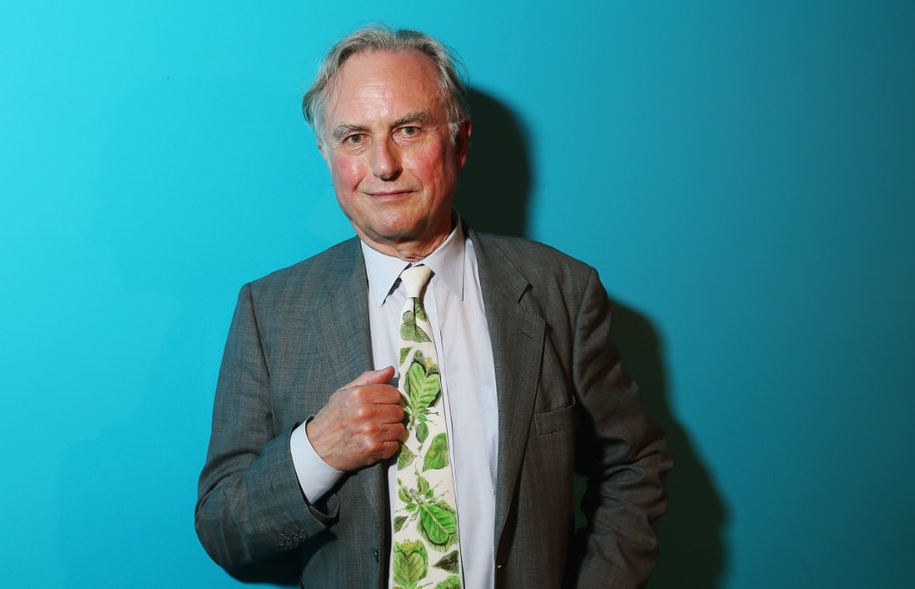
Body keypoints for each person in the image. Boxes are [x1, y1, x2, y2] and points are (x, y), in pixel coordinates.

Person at [195, 24, 671, 588]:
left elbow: (633, 466)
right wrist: (317, 451)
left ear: (459, 142)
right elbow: (224, 529)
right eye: (354, 137)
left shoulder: (562, 290)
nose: (383, 165)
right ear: (326, 154)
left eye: (408, 129)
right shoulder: (269, 311)